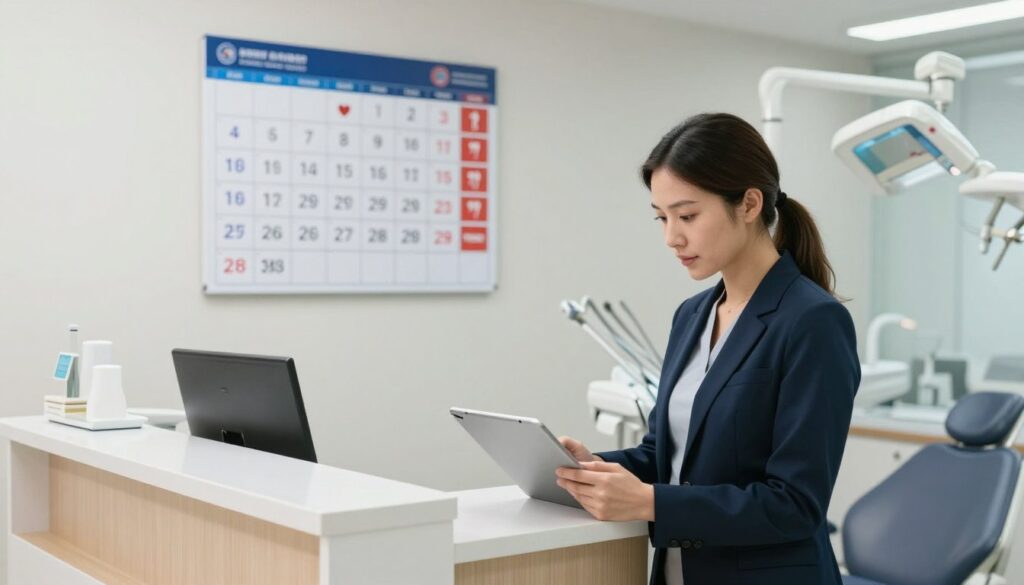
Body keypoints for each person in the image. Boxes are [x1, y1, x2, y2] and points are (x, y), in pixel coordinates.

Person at [556, 113, 861, 585]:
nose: (672, 237)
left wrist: (649, 502)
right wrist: (590, 471)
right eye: (662, 218)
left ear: (749, 204)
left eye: (688, 215)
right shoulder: (692, 315)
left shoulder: (812, 321)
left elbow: (796, 505)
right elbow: (666, 454)